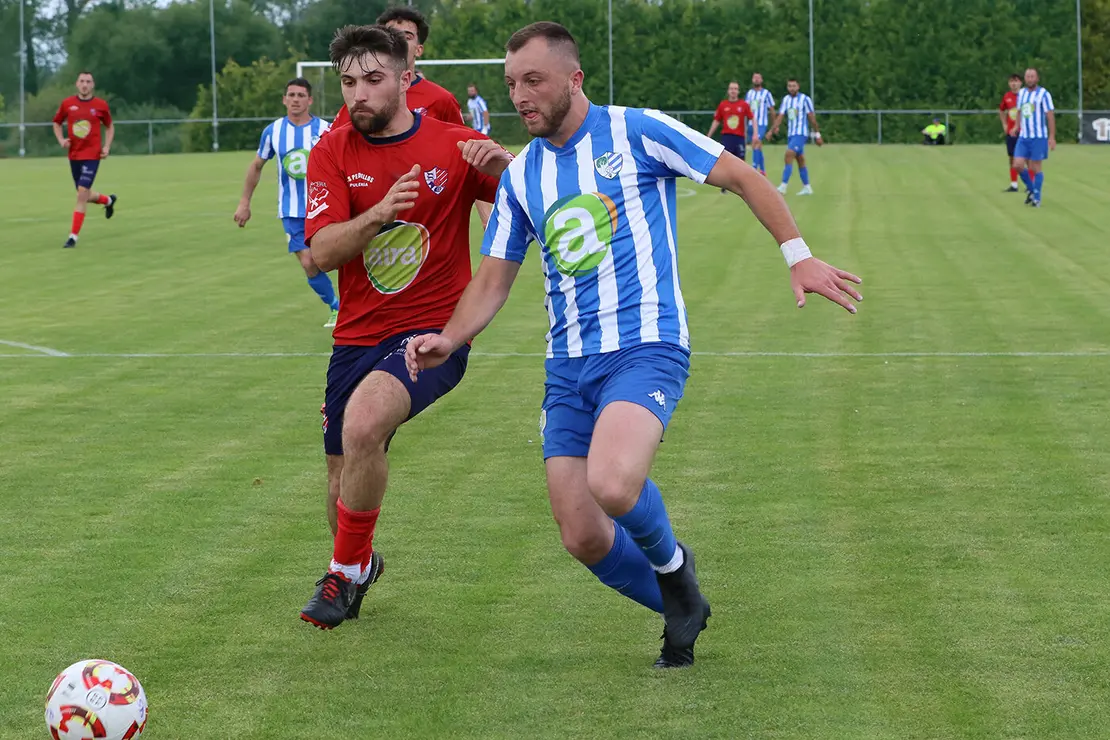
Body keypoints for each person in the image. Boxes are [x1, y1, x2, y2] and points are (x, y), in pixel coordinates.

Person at [405, 21, 861, 669]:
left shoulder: (636, 130)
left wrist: (799, 256)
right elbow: (493, 279)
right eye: (511, 84)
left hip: (646, 343)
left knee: (614, 483)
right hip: (567, 365)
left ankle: (674, 570)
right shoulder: (522, 175)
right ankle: (681, 603)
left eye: (534, 81)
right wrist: (451, 338)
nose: (521, 96)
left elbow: (742, 177)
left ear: (574, 79)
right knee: (582, 534)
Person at [298, 24, 510, 630]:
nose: (358, 93)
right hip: (355, 336)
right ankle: (360, 562)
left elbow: (536, 196)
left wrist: (507, 166)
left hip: (432, 334)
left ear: (405, 78)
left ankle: (342, 574)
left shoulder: (454, 144)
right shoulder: (332, 151)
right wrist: (380, 213)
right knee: (340, 476)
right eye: (348, 82)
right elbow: (322, 251)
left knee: (364, 423)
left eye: (372, 79)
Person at [234, 78, 338, 327]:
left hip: (324, 207)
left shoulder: (326, 130)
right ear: (284, 99)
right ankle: (337, 307)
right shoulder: (274, 131)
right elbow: (256, 166)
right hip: (291, 210)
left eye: (301, 95)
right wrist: (244, 202)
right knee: (309, 262)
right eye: (291, 95)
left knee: (337, 257)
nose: (295, 99)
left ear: (310, 100)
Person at [330, 6, 463, 129]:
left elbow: (460, 141)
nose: (399, 42)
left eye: (407, 37)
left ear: (419, 49)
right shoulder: (360, 102)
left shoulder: (441, 100)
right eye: (391, 36)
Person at [52, 71, 117, 249]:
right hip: (74, 155)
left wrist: (106, 147)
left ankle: (72, 237)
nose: (85, 84)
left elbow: (109, 126)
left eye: (88, 81)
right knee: (85, 195)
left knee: (81, 194)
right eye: (82, 81)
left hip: (92, 156)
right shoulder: (68, 104)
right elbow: (56, 122)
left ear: (92, 85)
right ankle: (108, 200)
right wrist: (61, 140)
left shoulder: (100, 105)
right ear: (77, 84)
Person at [768, 79, 822, 196]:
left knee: (789, 154)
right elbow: (780, 116)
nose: (792, 88)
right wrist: (772, 130)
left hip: (801, 134)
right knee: (800, 160)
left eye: (794, 86)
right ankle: (807, 187)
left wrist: (817, 134)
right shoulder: (786, 99)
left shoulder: (805, 99)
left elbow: (811, 118)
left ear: (798, 87)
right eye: (789, 86)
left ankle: (783, 186)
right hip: (791, 135)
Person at [1013, 67, 1055, 207]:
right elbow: (1019, 111)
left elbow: (1050, 116)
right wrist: (1016, 126)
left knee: (1035, 167)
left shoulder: (1043, 94)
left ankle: (1037, 197)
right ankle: (1031, 189)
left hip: (1038, 137)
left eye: (1032, 76)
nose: (1030, 79)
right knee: (1017, 165)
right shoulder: (1022, 93)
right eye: (1028, 76)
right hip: (1024, 136)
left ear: (1037, 78)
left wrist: (1052, 136)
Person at [706, 81, 756, 193]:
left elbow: (752, 118)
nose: (733, 91)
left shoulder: (743, 105)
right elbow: (716, 121)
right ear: (728, 91)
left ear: (738, 91)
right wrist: (709, 135)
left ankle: (742, 185)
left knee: (741, 162)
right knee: (725, 162)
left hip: (739, 137)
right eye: (731, 89)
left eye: (735, 89)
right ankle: (725, 185)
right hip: (727, 137)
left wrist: (755, 134)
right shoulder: (723, 105)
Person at [745, 73, 775, 175]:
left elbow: (772, 109)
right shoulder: (749, 93)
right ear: (752, 80)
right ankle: (762, 170)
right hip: (751, 124)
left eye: (758, 78)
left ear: (761, 80)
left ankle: (754, 168)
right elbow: (746, 109)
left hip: (761, 123)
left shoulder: (766, 93)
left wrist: (773, 126)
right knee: (757, 146)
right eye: (755, 78)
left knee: (756, 142)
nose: (756, 80)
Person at [999, 73, 1022, 192]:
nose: (1014, 84)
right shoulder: (1007, 96)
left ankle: (1031, 184)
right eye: (1012, 81)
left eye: (1016, 81)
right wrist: (1004, 124)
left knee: (1027, 159)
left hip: (1024, 132)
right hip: (1011, 132)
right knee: (1012, 157)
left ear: (1020, 83)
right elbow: (1001, 110)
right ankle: (1014, 184)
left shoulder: (1025, 95)